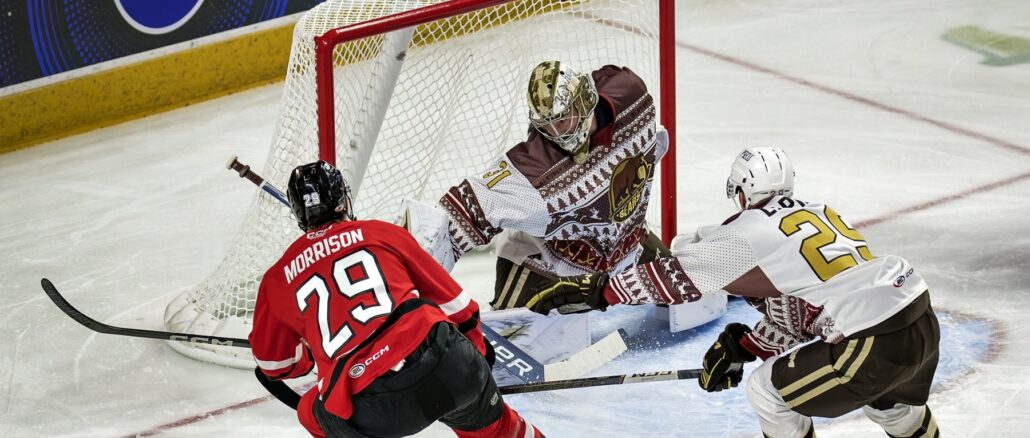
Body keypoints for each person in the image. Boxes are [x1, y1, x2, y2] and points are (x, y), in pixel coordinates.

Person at [528, 147, 941, 438]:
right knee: (893, 407)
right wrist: (747, 345)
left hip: (869, 340)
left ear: (742, 193)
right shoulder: (820, 211)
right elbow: (802, 318)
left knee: (768, 392)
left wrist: (602, 291)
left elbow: (677, 277)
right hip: (919, 318)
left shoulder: (749, 229)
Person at [249, 161, 543, 438]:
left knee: (309, 411)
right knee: (498, 428)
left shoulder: (277, 278)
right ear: (342, 199)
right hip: (444, 366)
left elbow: (275, 365)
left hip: (370, 406)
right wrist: (477, 367)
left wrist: (311, 355)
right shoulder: (381, 232)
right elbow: (459, 308)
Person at [409, 59, 670, 312]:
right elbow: (466, 209)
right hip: (545, 266)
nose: (558, 134)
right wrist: (407, 269)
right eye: (547, 126)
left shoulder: (630, 93)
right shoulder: (536, 167)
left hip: (626, 247)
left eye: (562, 120)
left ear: (584, 101)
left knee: (686, 293)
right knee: (521, 339)